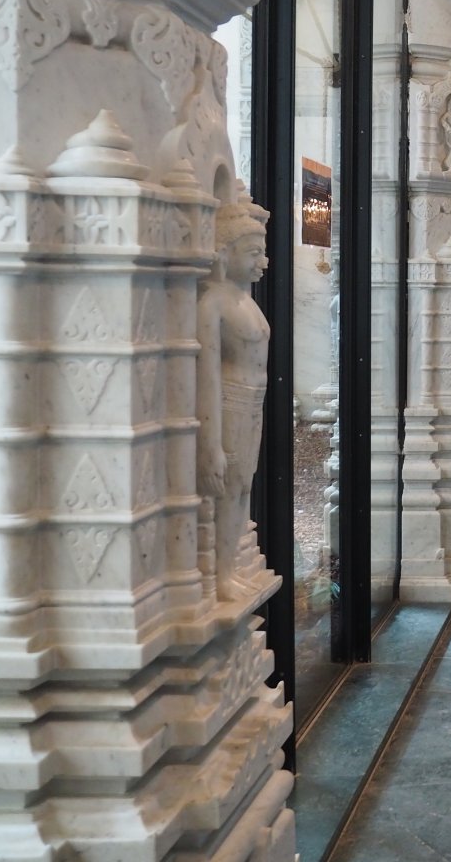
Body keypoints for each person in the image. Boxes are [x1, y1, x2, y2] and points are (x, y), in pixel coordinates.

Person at [196, 192, 270, 601]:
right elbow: (205, 375)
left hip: (251, 403)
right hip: (229, 403)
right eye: (253, 253)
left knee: (243, 487)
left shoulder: (245, 302)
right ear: (225, 253)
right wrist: (210, 446)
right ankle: (220, 576)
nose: (262, 262)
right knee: (228, 487)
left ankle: (227, 568)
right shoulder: (212, 304)